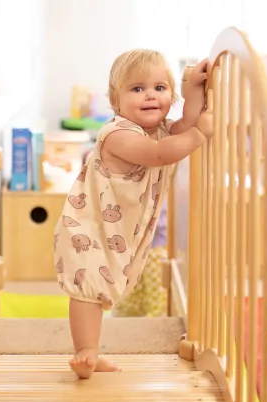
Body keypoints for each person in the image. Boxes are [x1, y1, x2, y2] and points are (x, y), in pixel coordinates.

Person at [53, 49, 211, 379]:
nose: (150, 96)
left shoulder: (161, 129)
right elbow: (158, 154)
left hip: (119, 232)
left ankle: (92, 354)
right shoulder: (118, 134)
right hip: (88, 228)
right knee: (89, 289)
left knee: (104, 289)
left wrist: (194, 88)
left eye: (160, 88)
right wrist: (198, 136)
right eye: (137, 89)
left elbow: (186, 122)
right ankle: (85, 350)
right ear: (116, 100)